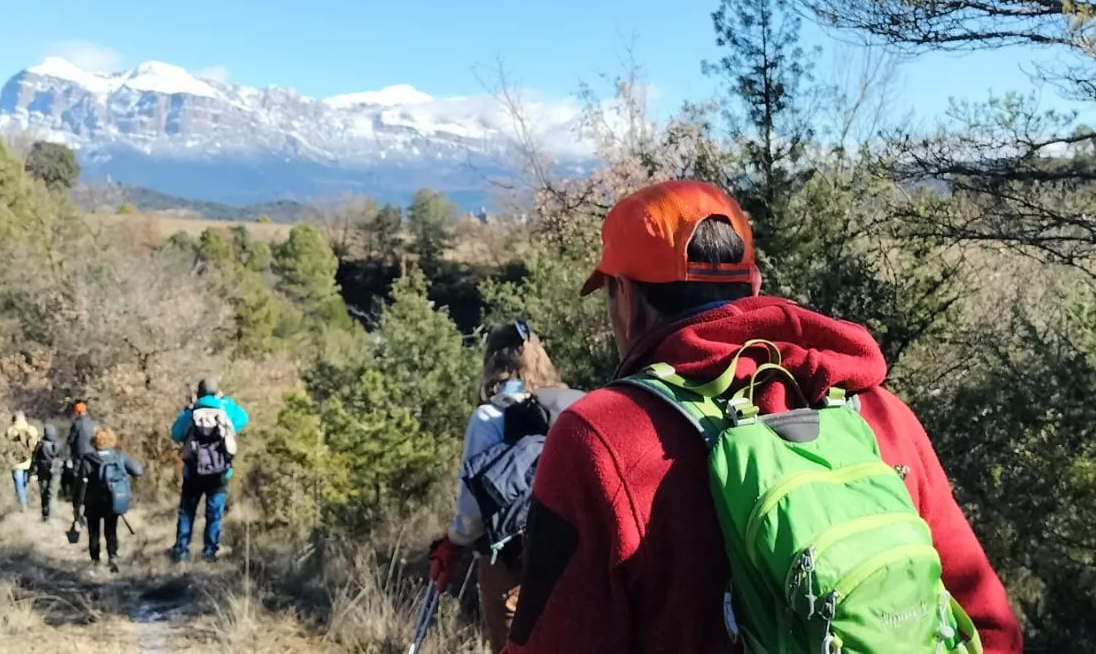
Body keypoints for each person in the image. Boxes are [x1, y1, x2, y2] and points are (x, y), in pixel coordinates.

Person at [502, 180, 1023, 654]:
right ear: (753, 284)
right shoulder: (877, 413)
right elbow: (990, 625)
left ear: (627, 298)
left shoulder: (599, 438)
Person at [430, 320, 582, 653]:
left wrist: (453, 541)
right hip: (572, 555)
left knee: (512, 646)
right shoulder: (572, 406)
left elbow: (471, 515)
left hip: (509, 562)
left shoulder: (489, 416)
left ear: (493, 363)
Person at [170, 378, 248, 562]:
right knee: (214, 514)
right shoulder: (224, 408)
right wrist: (225, 400)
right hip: (220, 473)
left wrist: (188, 408)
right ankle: (209, 552)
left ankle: (181, 551)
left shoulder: (192, 412)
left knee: (187, 512)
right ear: (217, 391)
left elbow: (175, 434)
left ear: (199, 392)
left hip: (193, 472)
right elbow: (243, 419)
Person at [79, 426, 144, 574]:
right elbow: (138, 471)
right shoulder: (119, 456)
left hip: (93, 501)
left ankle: (95, 561)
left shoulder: (88, 459)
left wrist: (77, 505)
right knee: (111, 530)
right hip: (113, 499)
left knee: (93, 532)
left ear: (94, 441)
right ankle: (113, 557)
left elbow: (80, 483)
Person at [64, 401, 98, 530]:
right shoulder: (95, 424)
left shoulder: (77, 424)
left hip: (80, 460)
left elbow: (70, 441)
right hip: (94, 460)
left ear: (77, 412)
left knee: (79, 488)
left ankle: (79, 513)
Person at [4, 412, 39, 510]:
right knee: (24, 481)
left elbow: (6, 444)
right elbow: (36, 443)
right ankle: (26, 499)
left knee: (19, 483)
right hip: (28, 460)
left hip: (16, 462)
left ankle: (22, 504)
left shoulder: (10, 430)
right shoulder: (31, 429)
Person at [32, 423, 62, 521]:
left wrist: (32, 471)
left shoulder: (40, 444)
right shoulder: (58, 444)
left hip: (42, 471)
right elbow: (63, 457)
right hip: (56, 471)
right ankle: (51, 515)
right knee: (52, 493)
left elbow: (34, 458)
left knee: (44, 493)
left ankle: (45, 514)